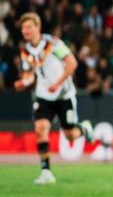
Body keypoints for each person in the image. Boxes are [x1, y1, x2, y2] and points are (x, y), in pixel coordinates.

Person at [13, 13, 94, 184]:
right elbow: (30, 74)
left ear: (38, 27)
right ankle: (46, 172)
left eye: (29, 27)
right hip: (44, 95)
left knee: (70, 135)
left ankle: (84, 128)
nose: (25, 31)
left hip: (64, 94)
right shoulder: (25, 50)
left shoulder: (53, 43)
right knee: (40, 129)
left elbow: (72, 63)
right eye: (23, 28)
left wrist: (58, 83)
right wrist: (24, 82)